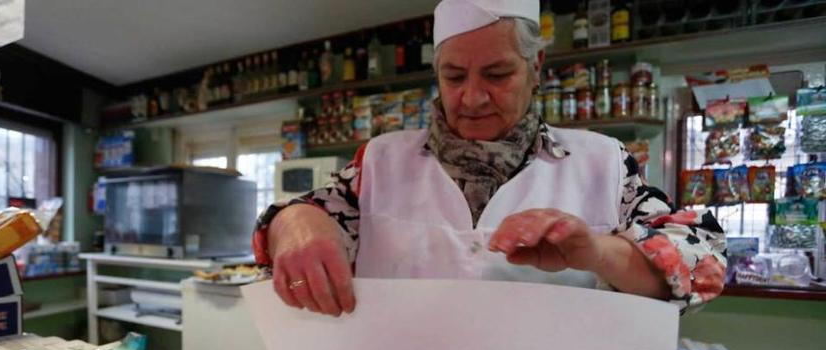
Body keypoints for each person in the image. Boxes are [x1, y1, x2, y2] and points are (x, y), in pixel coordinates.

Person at [254, 0, 726, 316]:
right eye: (454, 76)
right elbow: (293, 221)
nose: (473, 97)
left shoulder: (602, 162)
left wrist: (598, 252)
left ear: (535, 68)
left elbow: (702, 258)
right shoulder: (380, 162)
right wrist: (297, 224)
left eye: (497, 74)